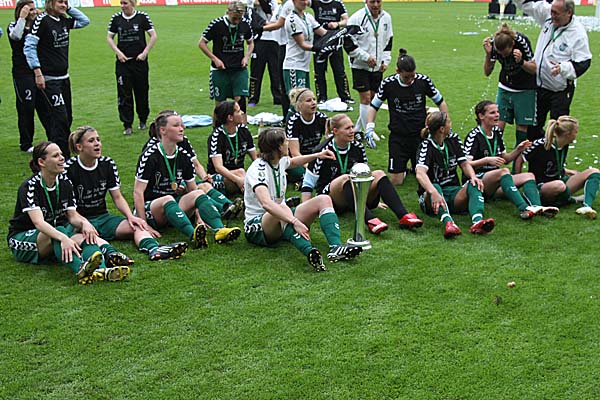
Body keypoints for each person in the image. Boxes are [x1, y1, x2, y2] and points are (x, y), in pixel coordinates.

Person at [7, 142, 130, 285]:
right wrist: (63, 238)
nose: (62, 158)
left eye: (61, 154)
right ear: (41, 162)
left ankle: (101, 271)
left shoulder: (65, 182)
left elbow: (72, 216)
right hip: (23, 239)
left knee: (86, 235)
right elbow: (38, 223)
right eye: (56, 156)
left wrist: (84, 223)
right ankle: (80, 269)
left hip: (55, 234)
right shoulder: (29, 187)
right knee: (59, 231)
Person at [244, 127, 362, 271]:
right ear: (279, 147)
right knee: (282, 208)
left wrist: (318, 155)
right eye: (285, 141)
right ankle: (309, 251)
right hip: (257, 226)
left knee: (323, 199)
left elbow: (293, 162)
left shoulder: (279, 160)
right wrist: (295, 221)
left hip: (281, 215)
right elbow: (266, 204)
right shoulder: (258, 170)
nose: (288, 143)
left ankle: (336, 247)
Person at [65, 126, 189, 261]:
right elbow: (69, 211)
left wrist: (131, 217)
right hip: (78, 222)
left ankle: (154, 249)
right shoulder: (68, 169)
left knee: (137, 226)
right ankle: (112, 255)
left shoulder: (107, 164)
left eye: (98, 140)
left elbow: (117, 197)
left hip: (103, 218)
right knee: (88, 237)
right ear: (79, 147)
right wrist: (83, 223)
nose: (97, 144)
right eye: (91, 141)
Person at [134, 111, 242, 248]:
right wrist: (144, 224)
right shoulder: (150, 155)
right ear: (163, 130)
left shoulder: (184, 156)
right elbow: (138, 192)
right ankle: (193, 235)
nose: (182, 128)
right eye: (176, 125)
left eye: (182, 125)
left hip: (173, 207)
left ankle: (220, 230)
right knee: (167, 198)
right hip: (152, 209)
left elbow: (192, 190)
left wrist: (199, 216)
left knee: (199, 193)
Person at [302, 114, 422, 234]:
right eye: (347, 128)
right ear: (335, 131)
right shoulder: (322, 151)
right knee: (346, 178)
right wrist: (306, 209)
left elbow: (365, 175)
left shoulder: (358, 147)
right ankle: (370, 220)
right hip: (332, 199)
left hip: (355, 192)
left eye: (352, 127)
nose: (352, 131)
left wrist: (374, 198)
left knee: (379, 174)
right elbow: (308, 183)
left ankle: (404, 216)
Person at [463, 101, 559, 220]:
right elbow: (466, 164)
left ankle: (537, 207)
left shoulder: (496, 132)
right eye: (492, 113)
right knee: (504, 172)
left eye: (498, 112)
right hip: (478, 182)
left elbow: (506, 159)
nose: (497, 115)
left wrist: (519, 149)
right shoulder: (474, 136)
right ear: (481, 116)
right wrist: (486, 160)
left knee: (529, 176)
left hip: (496, 181)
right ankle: (523, 208)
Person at [512, 0, 592, 140]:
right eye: (551, 11)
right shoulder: (548, 15)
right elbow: (528, 5)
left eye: (556, 13)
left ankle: (556, 154)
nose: (552, 15)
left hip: (560, 90)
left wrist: (563, 68)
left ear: (569, 13)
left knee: (559, 130)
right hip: (539, 86)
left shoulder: (578, 34)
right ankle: (537, 153)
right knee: (533, 128)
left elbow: (584, 61)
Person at [368, 49, 448, 186]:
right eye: (407, 77)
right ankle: (403, 169)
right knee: (396, 181)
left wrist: (445, 123)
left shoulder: (423, 81)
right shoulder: (388, 83)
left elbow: (440, 102)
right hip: (398, 137)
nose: (411, 80)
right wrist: (370, 127)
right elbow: (374, 106)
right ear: (398, 71)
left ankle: (414, 166)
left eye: (413, 76)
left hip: (420, 135)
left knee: (426, 176)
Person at [23, 0, 90, 158]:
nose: (64, 5)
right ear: (50, 3)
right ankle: (63, 158)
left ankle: (56, 153)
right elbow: (29, 46)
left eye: (66, 2)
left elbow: (84, 21)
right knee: (60, 118)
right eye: (60, 2)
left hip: (64, 78)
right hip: (49, 79)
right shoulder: (42, 21)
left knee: (67, 118)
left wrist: (68, 8)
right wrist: (38, 72)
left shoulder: (63, 20)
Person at [415, 111, 496, 239]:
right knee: (435, 186)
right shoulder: (426, 146)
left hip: (453, 192)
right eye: (449, 122)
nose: (451, 125)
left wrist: (473, 177)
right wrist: (433, 192)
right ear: (442, 129)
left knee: (474, 184)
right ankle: (449, 223)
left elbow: (464, 163)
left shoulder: (453, 139)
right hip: (431, 196)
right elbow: (420, 173)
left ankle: (478, 222)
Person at [521, 116, 600, 219]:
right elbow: (521, 157)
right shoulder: (541, 144)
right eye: (576, 132)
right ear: (568, 134)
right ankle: (570, 200)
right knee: (559, 185)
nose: (576, 134)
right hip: (542, 187)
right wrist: (520, 179)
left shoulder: (564, 144)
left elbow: (552, 165)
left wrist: (567, 171)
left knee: (594, 171)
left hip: (559, 180)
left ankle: (587, 207)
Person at [483, 22, 536, 168]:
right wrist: (488, 55)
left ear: (512, 44)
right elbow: (487, 72)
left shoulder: (522, 42)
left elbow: (534, 69)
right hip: (505, 87)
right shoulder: (494, 45)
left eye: (505, 54)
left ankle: (516, 170)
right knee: (497, 125)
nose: (503, 57)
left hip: (525, 89)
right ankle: (492, 166)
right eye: (500, 54)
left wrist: (521, 62)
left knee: (522, 129)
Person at [107, 0, 157, 136]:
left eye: (125, 3)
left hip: (139, 62)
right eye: (121, 3)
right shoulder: (116, 18)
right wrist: (118, 53)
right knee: (124, 94)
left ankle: (143, 119)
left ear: (133, 3)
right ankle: (127, 124)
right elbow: (109, 37)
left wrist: (145, 53)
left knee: (142, 91)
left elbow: (153, 35)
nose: (122, 6)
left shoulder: (142, 17)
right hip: (123, 63)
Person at [199, 0, 254, 116]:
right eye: (234, 18)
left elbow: (250, 42)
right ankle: (218, 126)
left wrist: (246, 57)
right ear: (228, 12)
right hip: (220, 70)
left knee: (240, 100)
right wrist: (214, 59)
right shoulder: (216, 24)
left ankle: (242, 126)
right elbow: (202, 43)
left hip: (239, 69)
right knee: (220, 104)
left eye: (239, 18)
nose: (237, 21)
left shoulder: (245, 23)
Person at [346, 0, 393, 133]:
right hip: (359, 65)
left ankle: (358, 129)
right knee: (365, 98)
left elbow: (389, 40)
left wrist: (385, 60)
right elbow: (348, 44)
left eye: (378, 1)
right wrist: (366, 57)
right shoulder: (356, 18)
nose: (376, 5)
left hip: (377, 66)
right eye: (372, 1)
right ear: (366, 1)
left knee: (372, 97)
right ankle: (368, 132)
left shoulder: (386, 17)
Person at [8, 0, 41, 153]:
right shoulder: (14, 26)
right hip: (22, 74)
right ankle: (26, 143)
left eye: (34, 9)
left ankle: (54, 138)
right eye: (30, 10)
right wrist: (22, 18)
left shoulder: (37, 26)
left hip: (39, 71)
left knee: (45, 108)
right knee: (26, 108)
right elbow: (16, 36)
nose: (34, 12)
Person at [207, 100, 257, 196]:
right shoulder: (216, 136)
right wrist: (238, 180)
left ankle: (250, 193)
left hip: (241, 175)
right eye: (238, 111)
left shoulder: (244, 130)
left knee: (249, 174)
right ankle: (253, 195)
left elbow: (255, 158)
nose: (242, 112)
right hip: (219, 177)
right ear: (230, 117)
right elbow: (218, 168)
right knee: (241, 172)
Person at [310, 0, 353, 104]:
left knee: (339, 70)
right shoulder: (315, 2)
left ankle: (345, 96)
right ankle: (321, 97)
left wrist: (337, 23)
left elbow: (346, 20)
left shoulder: (338, 3)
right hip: (319, 42)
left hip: (335, 41)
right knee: (319, 71)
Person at [281, 0, 327, 97]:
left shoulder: (308, 17)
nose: (305, 2)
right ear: (294, 1)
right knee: (297, 100)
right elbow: (302, 44)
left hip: (304, 66)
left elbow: (324, 33)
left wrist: (340, 34)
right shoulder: (292, 20)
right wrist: (319, 48)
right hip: (294, 65)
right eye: (302, 0)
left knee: (306, 100)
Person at [248, 0, 282, 107]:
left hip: (274, 40)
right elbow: (249, 4)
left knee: (276, 71)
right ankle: (253, 97)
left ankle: (278, 97)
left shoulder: (275, 3)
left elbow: (276, 16)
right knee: (256, 71)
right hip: (259, 39)